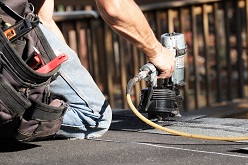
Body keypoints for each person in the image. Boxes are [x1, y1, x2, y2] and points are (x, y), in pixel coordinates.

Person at [2, 0, 176, 139]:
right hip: (8, 28)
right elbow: (114, 6)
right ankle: (8, 115)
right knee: (92, 116)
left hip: (12, 22)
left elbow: (43, 19)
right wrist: (157, 52)